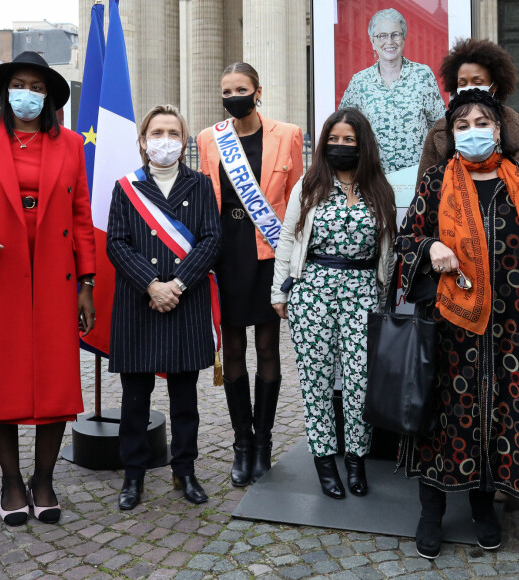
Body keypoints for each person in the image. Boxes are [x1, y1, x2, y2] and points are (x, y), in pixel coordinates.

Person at [398, 89, 519, 558]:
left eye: (483, 122)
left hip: (511, 331)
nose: (473, 131)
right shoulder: (436, 181)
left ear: (499, 129)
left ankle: (484, 508)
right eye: (463, 125)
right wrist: (429, 249)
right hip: (449, 330)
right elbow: (407, 240)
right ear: (451, 133)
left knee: (495, 417)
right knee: (443, 418)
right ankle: (430, 513)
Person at [0, 52, 96, 526]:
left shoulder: (73, 144)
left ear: (49, 97)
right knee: (1, 378)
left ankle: (43, 479)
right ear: (4, 91)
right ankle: (11, 480)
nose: (27, 94)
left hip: (55, 276)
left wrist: (86, 281)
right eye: (19, 84)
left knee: (54, 378)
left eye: (37, 87)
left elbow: (81, 214)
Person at [272, 108, 396, 499]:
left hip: (362, 292)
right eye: (334, 139)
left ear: (363, 145)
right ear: (324, 142)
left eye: (349, 140)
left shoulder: (379, 189)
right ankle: (325, 462)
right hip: (313, 291)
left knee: (360, 383)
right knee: (316, 381)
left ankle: (356, 460)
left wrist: (384, 296)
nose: (340, 146)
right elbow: (288, 240)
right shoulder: (308, 186)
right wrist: (279, 291)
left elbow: (387, 251)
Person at [107, 104, 221, 510]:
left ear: (185, 141)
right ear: (142, 141)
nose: (165, 140)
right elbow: (116, 243)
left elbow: (211, 239)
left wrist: (176, 284)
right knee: (135, 399)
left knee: (184, 399)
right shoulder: (126, 187)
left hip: (184, 301)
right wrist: (152, 285)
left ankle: (184, 470)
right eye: (157, 133)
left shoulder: (201, 185)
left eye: (173, 133)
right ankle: (133, 476)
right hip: (140, 303)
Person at [197, 62, 303, 487]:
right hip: (227, 250)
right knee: (235, 351)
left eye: (241, 88)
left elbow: (298, 201)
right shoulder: (209, 138)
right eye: (226, 90)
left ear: (258, 91)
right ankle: (242, 443)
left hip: (268, 252)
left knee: (268, 350)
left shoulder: (289, 135)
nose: (233, 96)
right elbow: (206, 198)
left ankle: (264, 446)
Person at [417, 37, 519, 184]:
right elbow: (424, 193)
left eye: (477, 82)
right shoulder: (438, 132)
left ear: (494, 86)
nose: (469, 88)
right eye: (462, 83)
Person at [339, 8, 445, 174]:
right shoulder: (359, 82)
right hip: (373, 180)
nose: (389, 41)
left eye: (395, 35)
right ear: (373, 42)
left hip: (417, 179)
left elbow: (440, 125)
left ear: (403, 38)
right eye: (382, 36)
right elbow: (343, 128)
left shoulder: (423, 75)